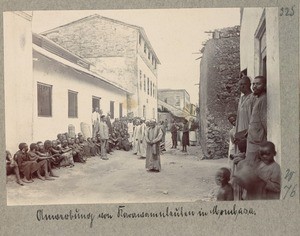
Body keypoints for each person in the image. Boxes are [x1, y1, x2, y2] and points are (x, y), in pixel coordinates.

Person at [245, 76, 267, 164]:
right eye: (253, 84)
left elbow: (264, 120)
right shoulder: (258, 99)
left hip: (258, 141)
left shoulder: (263, 99)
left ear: (264, 85)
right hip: (252, 139)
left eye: (258, 84)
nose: (254, 86)